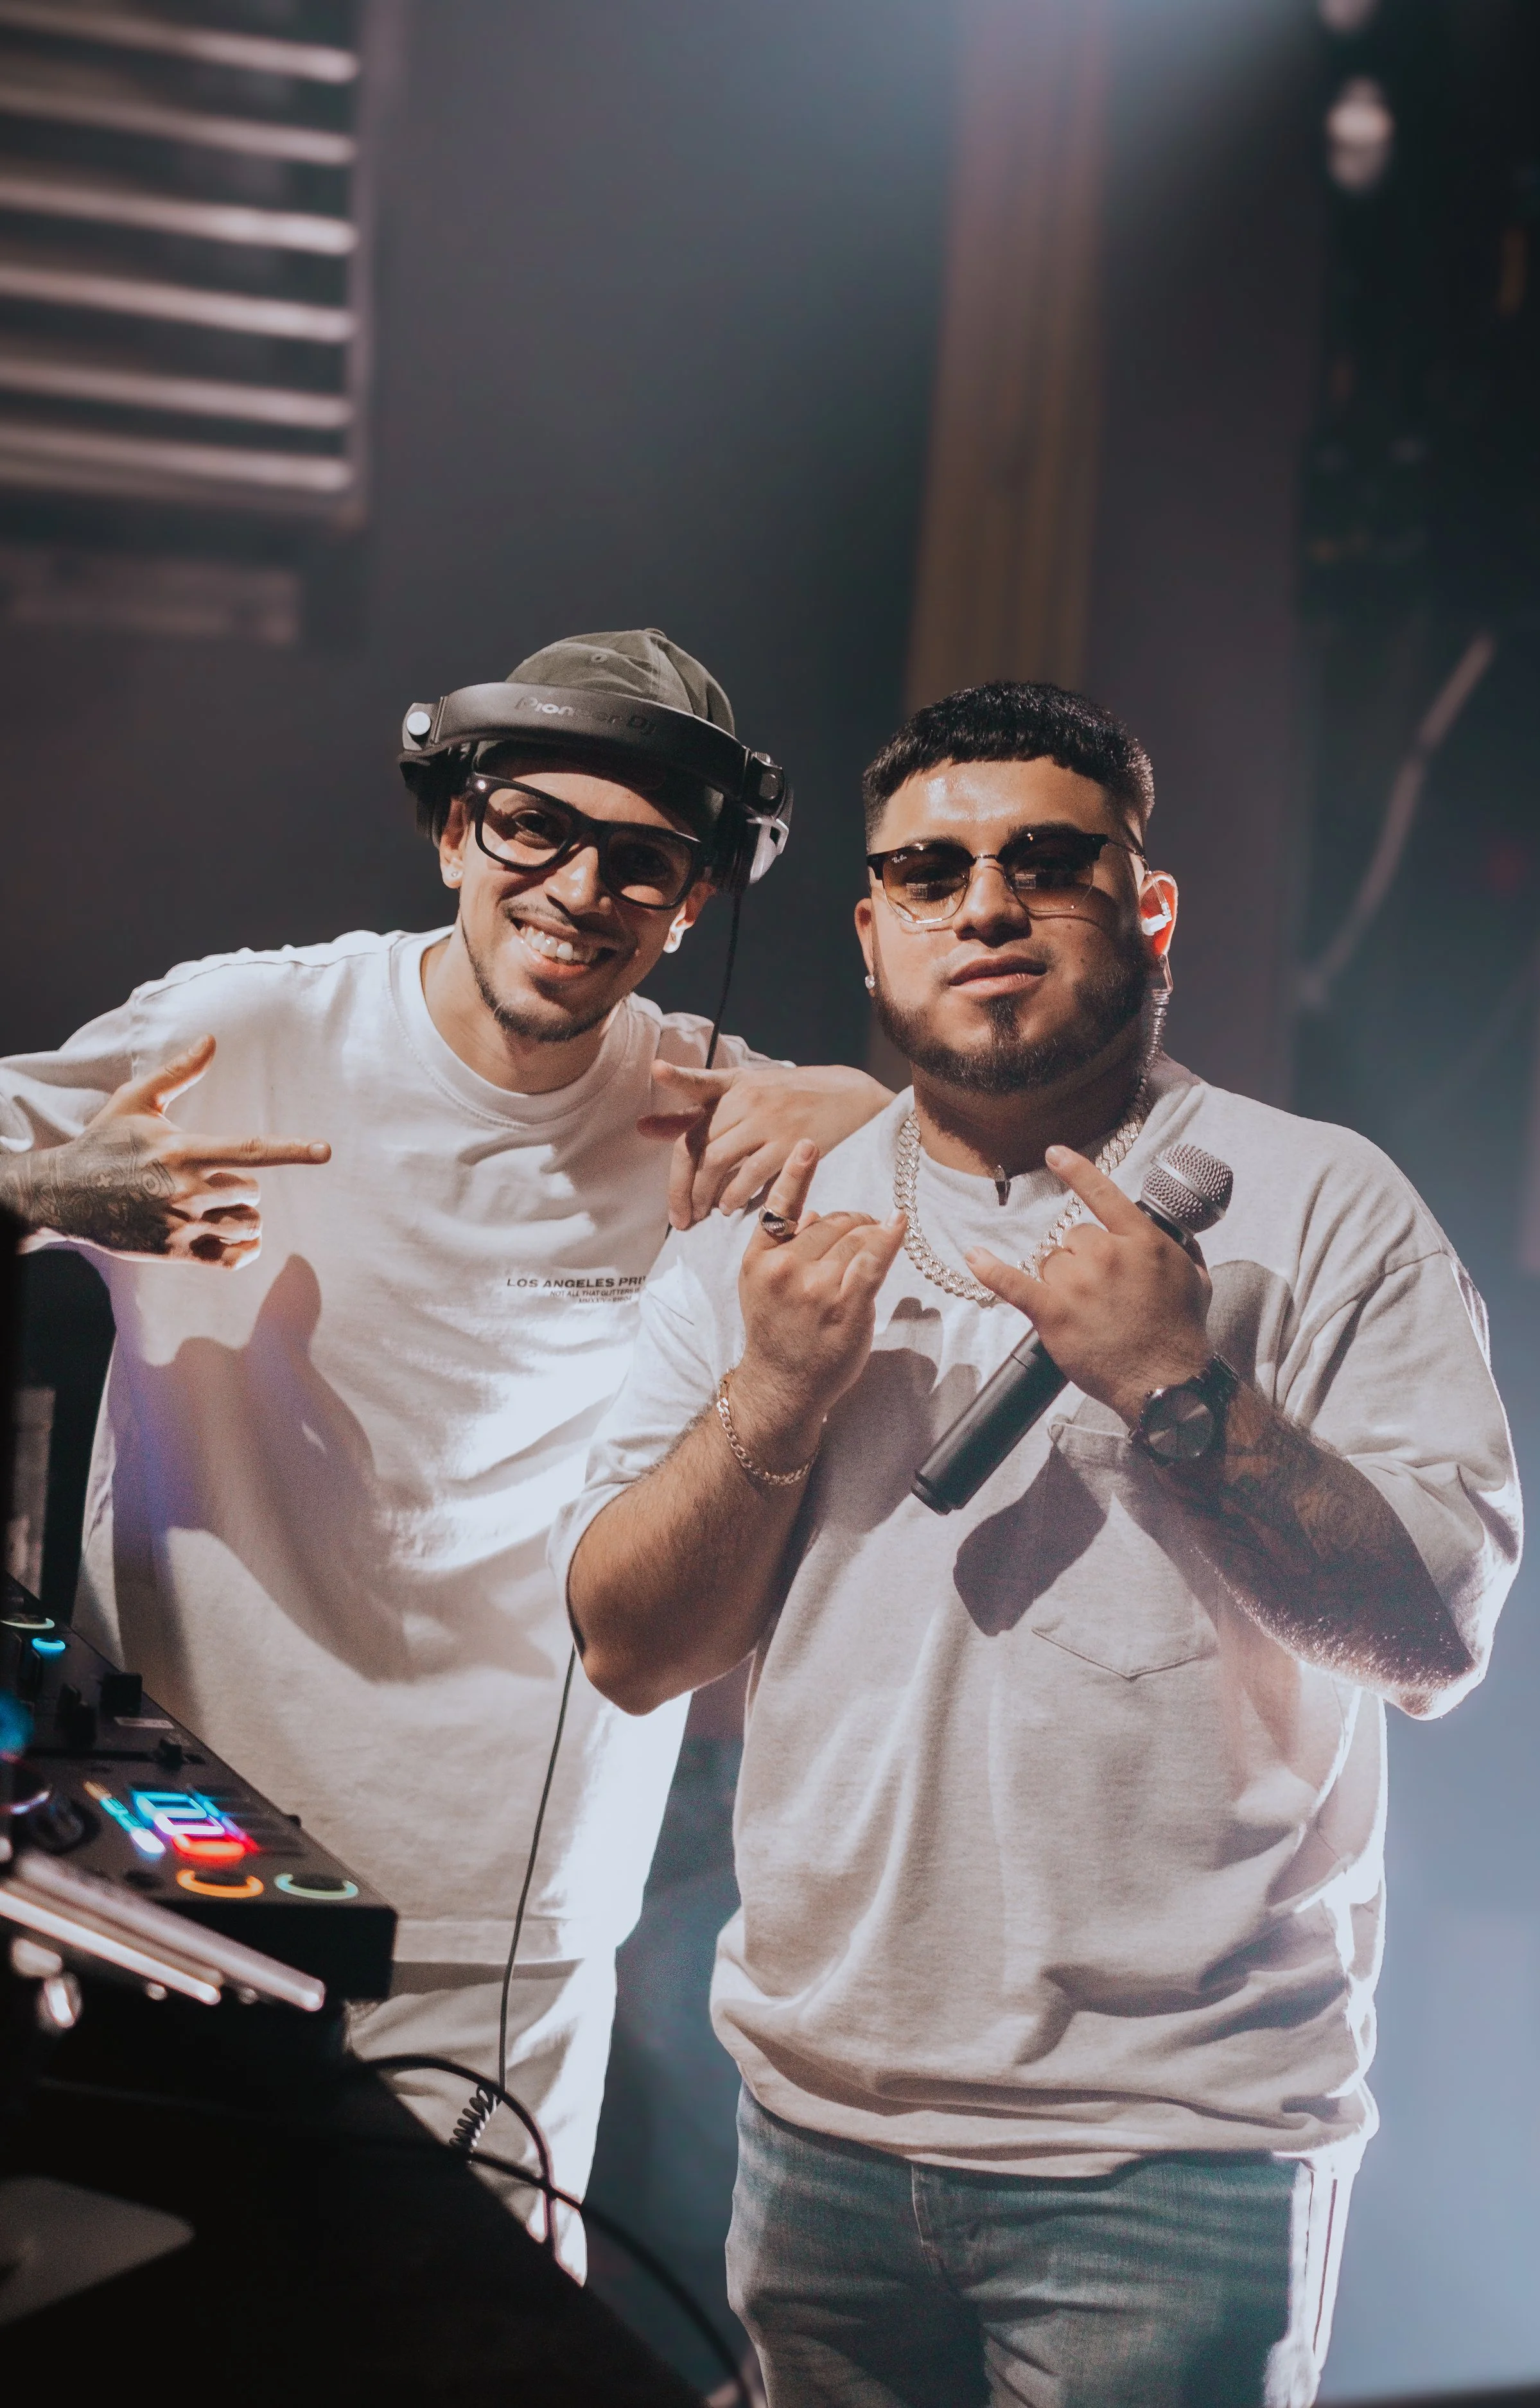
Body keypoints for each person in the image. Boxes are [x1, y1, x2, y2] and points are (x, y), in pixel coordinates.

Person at [554, 679, 1522, 2405]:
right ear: (872, 931)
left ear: (1147, 911)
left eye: (1046, 861)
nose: (984, 904)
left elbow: (1429, 1641)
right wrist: (773, 1396)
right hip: (819, 2123)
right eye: (928, 873)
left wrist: (1175, 1385)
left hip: (1176, 2148)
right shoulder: (771, 1232)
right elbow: (628, 1648)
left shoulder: (1320, 1203)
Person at [0, 628, 889, 2272]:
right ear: (451, 828)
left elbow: (1004, 1218)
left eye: (642, 860)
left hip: (503, 1924)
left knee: (466, 2366)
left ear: (696, 899)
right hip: (171, 1881)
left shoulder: (723, 1112)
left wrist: (871, 1109)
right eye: (532, 826)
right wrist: (42, 1192)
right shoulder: (245, 1027)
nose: (578, 889)